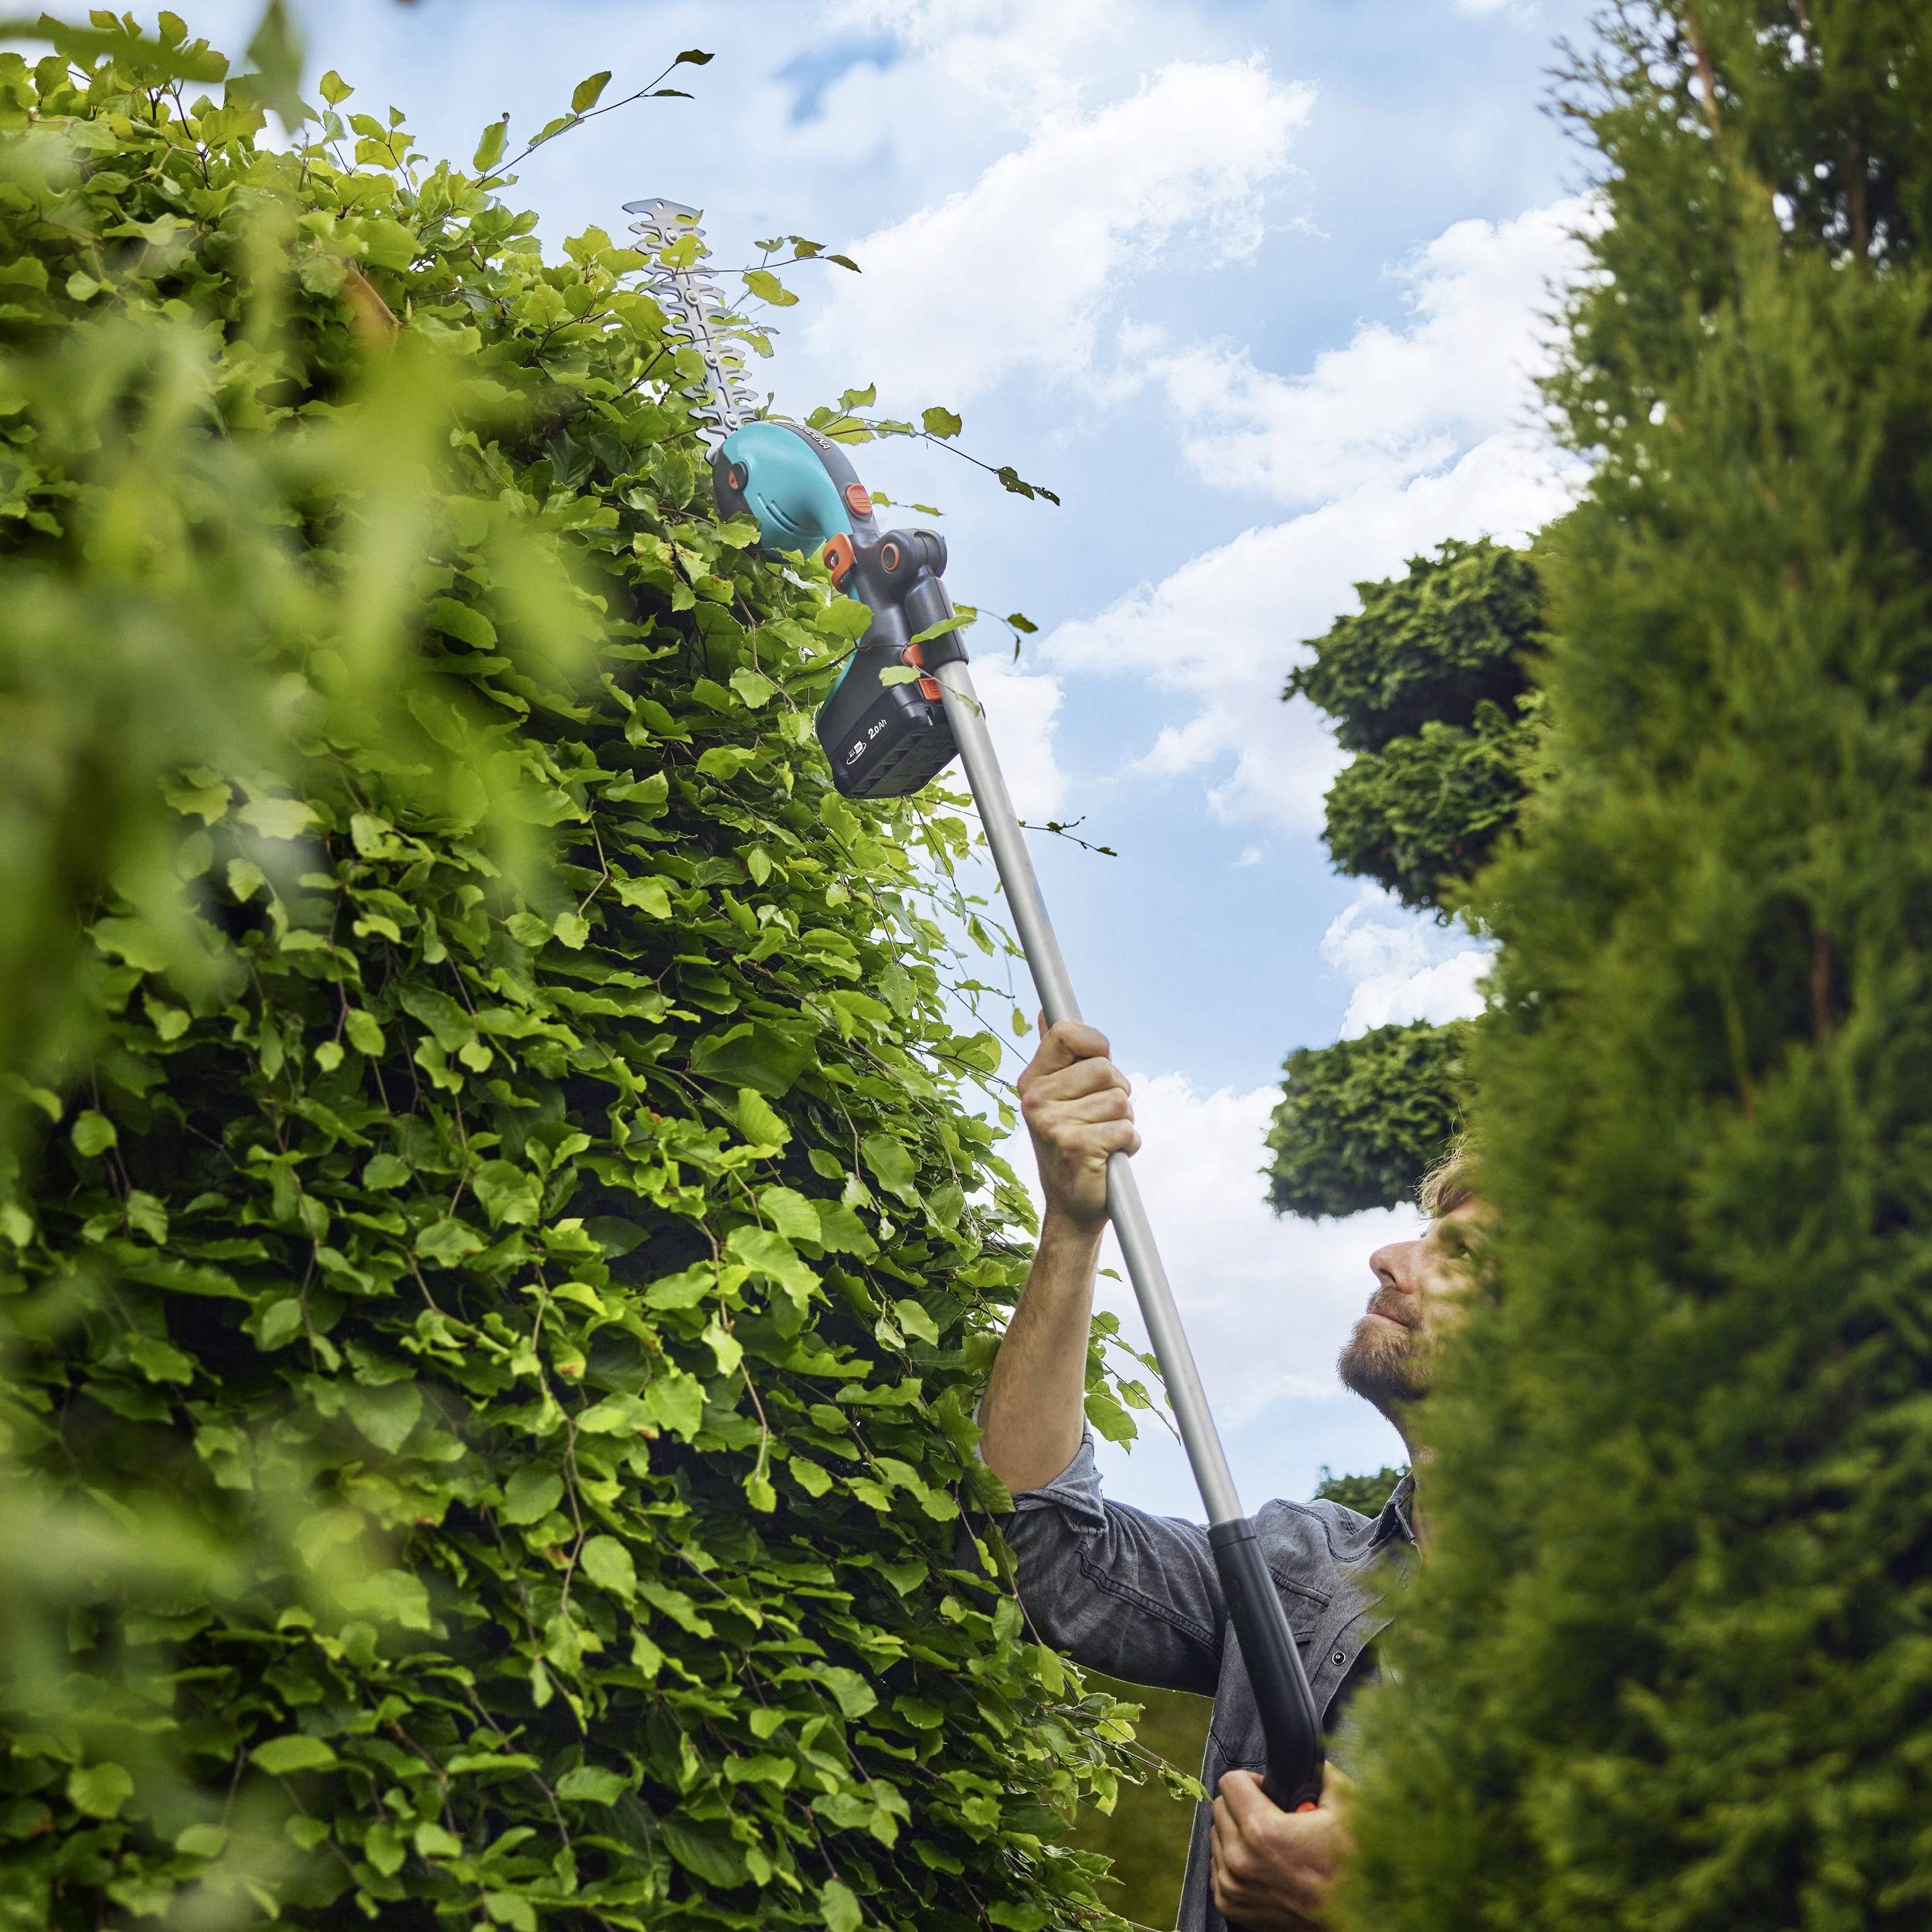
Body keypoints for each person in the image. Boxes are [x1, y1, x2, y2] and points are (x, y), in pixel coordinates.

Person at [978, 1021, 1483, 1932]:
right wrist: (1071, 1224)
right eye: (1424, 1232)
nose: (1392, 1258)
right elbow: (1046, 1549)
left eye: (1468, 1257)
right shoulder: (1296, 1566)